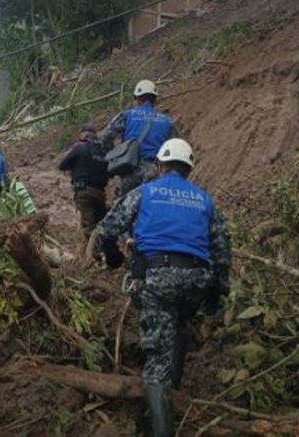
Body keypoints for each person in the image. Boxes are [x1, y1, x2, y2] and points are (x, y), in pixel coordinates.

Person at [96, 139, 231, 437]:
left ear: (159, 166)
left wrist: (114, 255)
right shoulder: (204, 199)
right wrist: (218, 291)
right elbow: (222, 248)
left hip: (157, 280)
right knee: (177, 323)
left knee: (157, 360)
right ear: (189, 170)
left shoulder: (144, 192)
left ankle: (160, 425)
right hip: (196, 280)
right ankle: (175, 388)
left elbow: (107, 228)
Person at [102, 79, 178, 196]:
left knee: (124, 208)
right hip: (155, 171)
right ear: (155, 99)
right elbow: (176, 148)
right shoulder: (167, 121)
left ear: (137, 99)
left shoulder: (127, 115)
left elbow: (107, 136)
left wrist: (112, 156)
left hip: (130, 169)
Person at [59, 124, 109, 242]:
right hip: (100, 193)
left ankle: (93, 256)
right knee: (102, 226)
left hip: (84, 192)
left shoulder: (79, 147)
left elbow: (62, 165)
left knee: (88, 227)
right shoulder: (103, 150)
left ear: (83, 134)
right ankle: (109, 255)